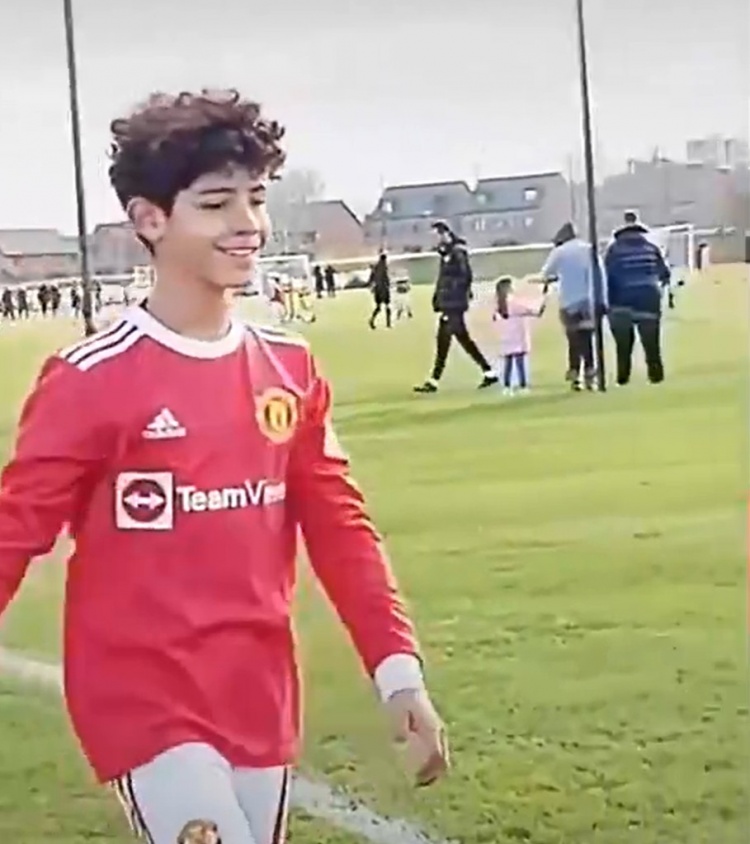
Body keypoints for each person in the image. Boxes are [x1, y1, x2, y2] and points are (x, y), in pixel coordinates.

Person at [0, 89, 448, 844]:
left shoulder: (289, 368)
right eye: (216, 204)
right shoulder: (90, 379)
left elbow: (341, 530)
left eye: (256, 199)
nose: (248, 224)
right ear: (151, 220)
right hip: (143, 699)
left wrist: (398, 673)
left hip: (257, 691)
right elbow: (13, 532)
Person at [414, 220, 497, 393]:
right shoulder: (446, 253)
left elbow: (465, 276)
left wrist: (451, 293)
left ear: (444, 234)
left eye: (435, 235)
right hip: (449, 303)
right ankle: (489, 372)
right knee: (459, 339)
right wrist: (438, 298)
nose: (434, 240)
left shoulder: (457, 253)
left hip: (454, 304)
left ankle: (434, 381)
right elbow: (444, 278)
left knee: (444, 340)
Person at [605, 212, 671, 385]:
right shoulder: (651, 249)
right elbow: (664, 274)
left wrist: (607, 302)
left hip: (621, 299)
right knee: (651, 343)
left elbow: (608, 275)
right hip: (649, 296)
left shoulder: (614, 251)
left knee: (623, 345)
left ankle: (623, 377)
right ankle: (656, 375)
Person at [540, 222, 603, 392]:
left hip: (568, 301)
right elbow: (598, 271)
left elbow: (546, 273)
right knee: (587, 339)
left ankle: (575, 373)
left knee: (573, 339)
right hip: (588, 300)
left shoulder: (559, 252)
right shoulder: (588, 249)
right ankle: (590, 371)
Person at [493, 276, 548, 395]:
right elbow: (535, 311)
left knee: (508, 363)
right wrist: (544, 297)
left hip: (506, 338)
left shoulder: (498, 306)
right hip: (517, 337)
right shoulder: (514, 304)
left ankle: (507, 386)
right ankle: (523, 386)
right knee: (520, 363)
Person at [367, 252, 391, 329]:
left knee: (378, 307)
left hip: (377, 289)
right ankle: (388, 324)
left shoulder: (375, 267)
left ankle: (372, 320)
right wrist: (388, 284)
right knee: (387, 306)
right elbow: (386, 278)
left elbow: (371, 278)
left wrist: (371, 286)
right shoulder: (384, 267)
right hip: (383, 289)